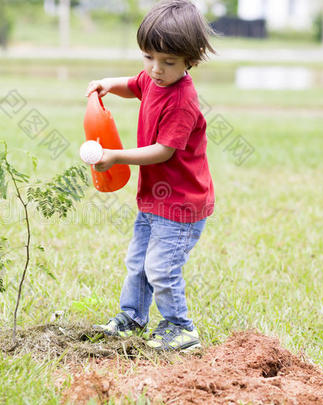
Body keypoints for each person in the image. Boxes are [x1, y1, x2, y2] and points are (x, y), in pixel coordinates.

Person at [85, 0, 216, 351]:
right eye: (148, 57)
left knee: (161, 268)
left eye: (168, 62)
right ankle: (132, 318)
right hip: (154, 198)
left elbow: (163, 151)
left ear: (191, 59)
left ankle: (181, 327)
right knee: (138, 262)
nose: (156, 69)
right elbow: (135, 84)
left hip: (181, 204)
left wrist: (116, 156)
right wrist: (106, 84)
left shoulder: (182, 101)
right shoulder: (155, 78)